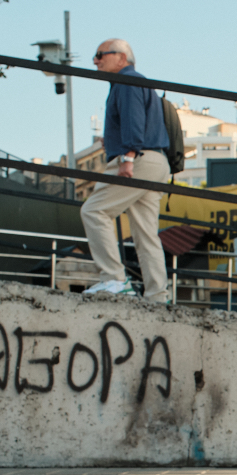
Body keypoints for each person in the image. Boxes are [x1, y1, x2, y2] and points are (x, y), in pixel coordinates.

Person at [80, 38, 171, 302]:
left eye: (100, 54)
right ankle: (157, 295)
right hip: (156, 162)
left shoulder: (127, 81)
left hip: (138, 160)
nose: (95, 60)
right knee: (145, 233)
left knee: (94, 210)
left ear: (121, 57)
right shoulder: (135, 82)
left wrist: (128, 156)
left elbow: (133, 120)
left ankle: (114, 279)